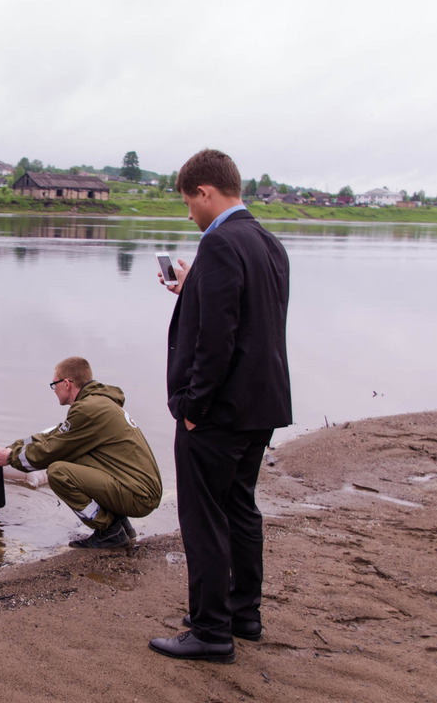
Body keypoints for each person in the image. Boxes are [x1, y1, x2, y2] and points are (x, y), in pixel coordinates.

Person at [148, 149, 291, 664]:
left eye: (189, 202)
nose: (189, 213)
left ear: (206, 192)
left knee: (204, 516)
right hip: (261, 403)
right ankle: (242, 614)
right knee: (240, 507)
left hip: (220, 409)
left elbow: (218, 338)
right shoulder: (268, 243)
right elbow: (251, 318)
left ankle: (210, 631)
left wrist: (193, 405)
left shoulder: (220, 243)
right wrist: (192, 288)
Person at [0, 357, 162, 549]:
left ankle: (109, 531)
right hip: (138, 488)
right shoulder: (98, 403)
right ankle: (122, 527)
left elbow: (50, 451)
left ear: (66, 384)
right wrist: (12, 448)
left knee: (59, 472)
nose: (54, 390)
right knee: (77, 457)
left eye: (54, 384)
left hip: (139, 496)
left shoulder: (88, 410)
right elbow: (54, 436)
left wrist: (10, 458)